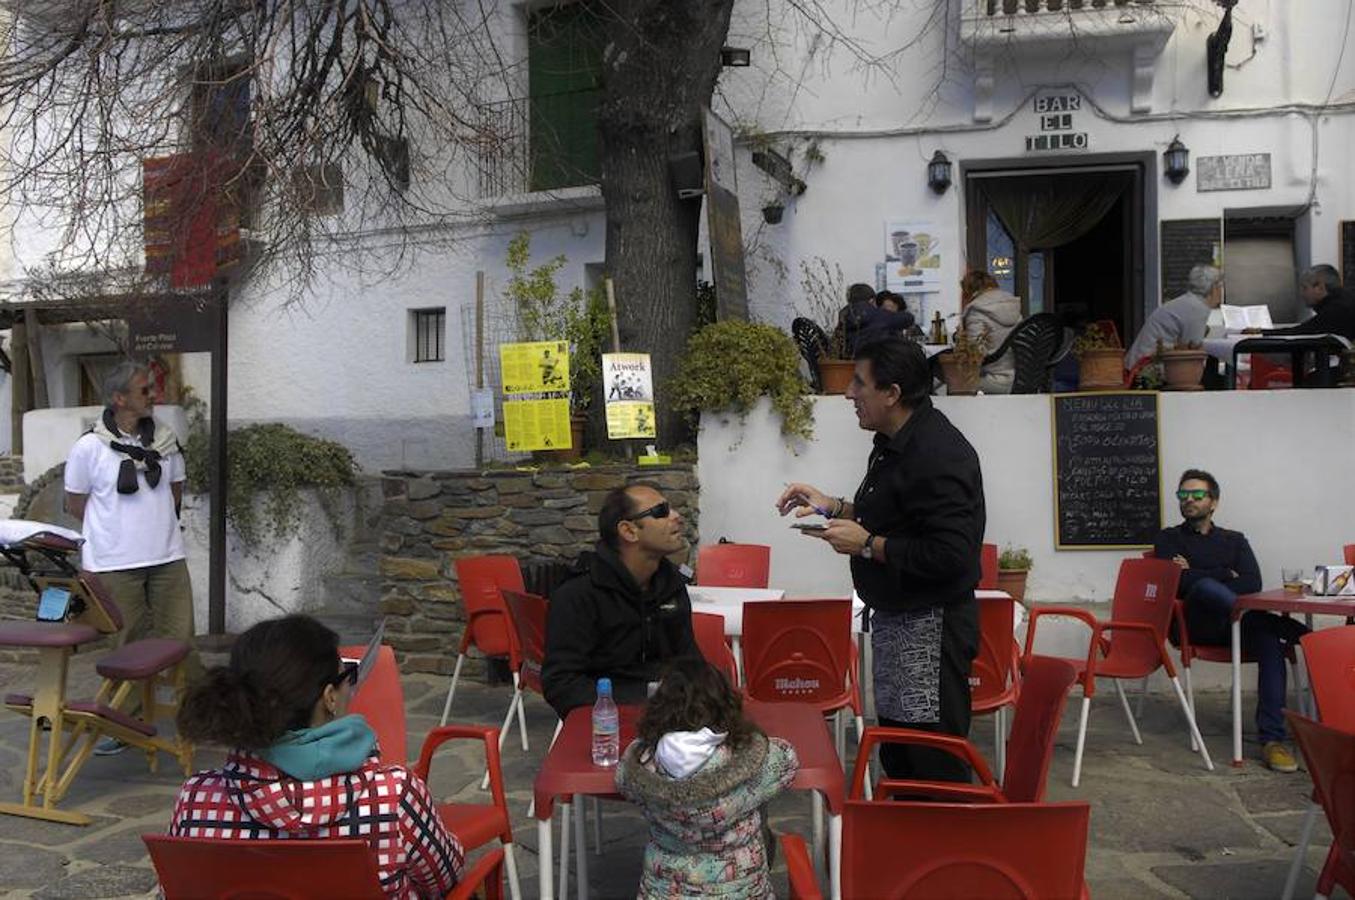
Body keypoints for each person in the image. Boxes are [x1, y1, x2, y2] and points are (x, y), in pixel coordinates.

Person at [776, 338, 985, 783]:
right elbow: (895, 517)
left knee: (931, 765)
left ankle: (944, 849)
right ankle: (908, 846)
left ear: (891, 393)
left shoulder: (938, 453)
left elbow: (952, 553)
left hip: (931, 631)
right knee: (899, 757)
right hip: (899, 624)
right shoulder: (893, 440)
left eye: (859, 382)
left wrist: (869, 544)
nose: (849, 393)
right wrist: (832, 507)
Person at [168, 615, 464, 898]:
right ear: (330, 698)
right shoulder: (393, 796)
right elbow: (445, 877)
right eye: (347, 674)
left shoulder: (197, 799)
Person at [64, 360, 199, 755]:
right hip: (113, 562)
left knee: (179, 639)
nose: (152, 395)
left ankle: (195, 720)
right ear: (120, 399)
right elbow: (77, 504)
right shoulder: (89, 448)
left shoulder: (165, 441)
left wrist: (154, 529)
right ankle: (127, 725)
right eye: (144, 390)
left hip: (166, 558)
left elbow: (175, 490)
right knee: (127, 644)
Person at [1153, 469, 1307, 773]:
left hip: (1238, 625)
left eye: (1197, 495)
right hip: (1198, 625)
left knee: (1270, 645)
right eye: (1183, 495)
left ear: (1214, 502)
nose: (1189, 500)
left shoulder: (1234, 540)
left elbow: (1253, 581)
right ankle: (1296, 631)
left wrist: (1195, 569)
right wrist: (1224, 573)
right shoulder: (1168, 538)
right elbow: (1180, 583)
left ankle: (1273, 741)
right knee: (1205, 588)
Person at [616, 657, 798, 899]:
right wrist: (750, 740)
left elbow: (622, 777)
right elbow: (787, 758)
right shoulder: (750, 761)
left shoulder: (643, 765)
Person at [542, 483, 700, 717]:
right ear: (629, 531)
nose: (677, 517)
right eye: (661, 512)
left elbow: (690, 662)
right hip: (606, 723)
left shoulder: (671, 584)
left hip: (672, 722)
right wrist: (644, 699)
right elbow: (561, 684)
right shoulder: (578, 594)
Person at [1124, 264, 1223, 369]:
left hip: (1142, 362)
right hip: (1147, 368)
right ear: (1214, 288)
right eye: (1220, 286)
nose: (1221, 291)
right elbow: (1193, 350)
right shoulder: (1197, 308)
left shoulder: (1189, 301)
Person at [958, 270, 1022, 394]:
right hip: (1021, 377)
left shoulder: (976, 311)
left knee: (954, 382)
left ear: (968, 291)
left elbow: (975, 353)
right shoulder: (1013, 307)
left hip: (994, 380)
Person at [1257, 264, 1355, 341]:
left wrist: (1258, 334)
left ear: (1320, 287)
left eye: (1305, 288)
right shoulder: (1343, 302)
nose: (1302, 294)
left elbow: (1300, 333)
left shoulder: (1337, 310)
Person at [840, 282, 915, 355]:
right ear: (872, 300)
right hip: (878, 363)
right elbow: (908, 318)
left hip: (849, 365)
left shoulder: (843, 315)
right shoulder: (876, 315)